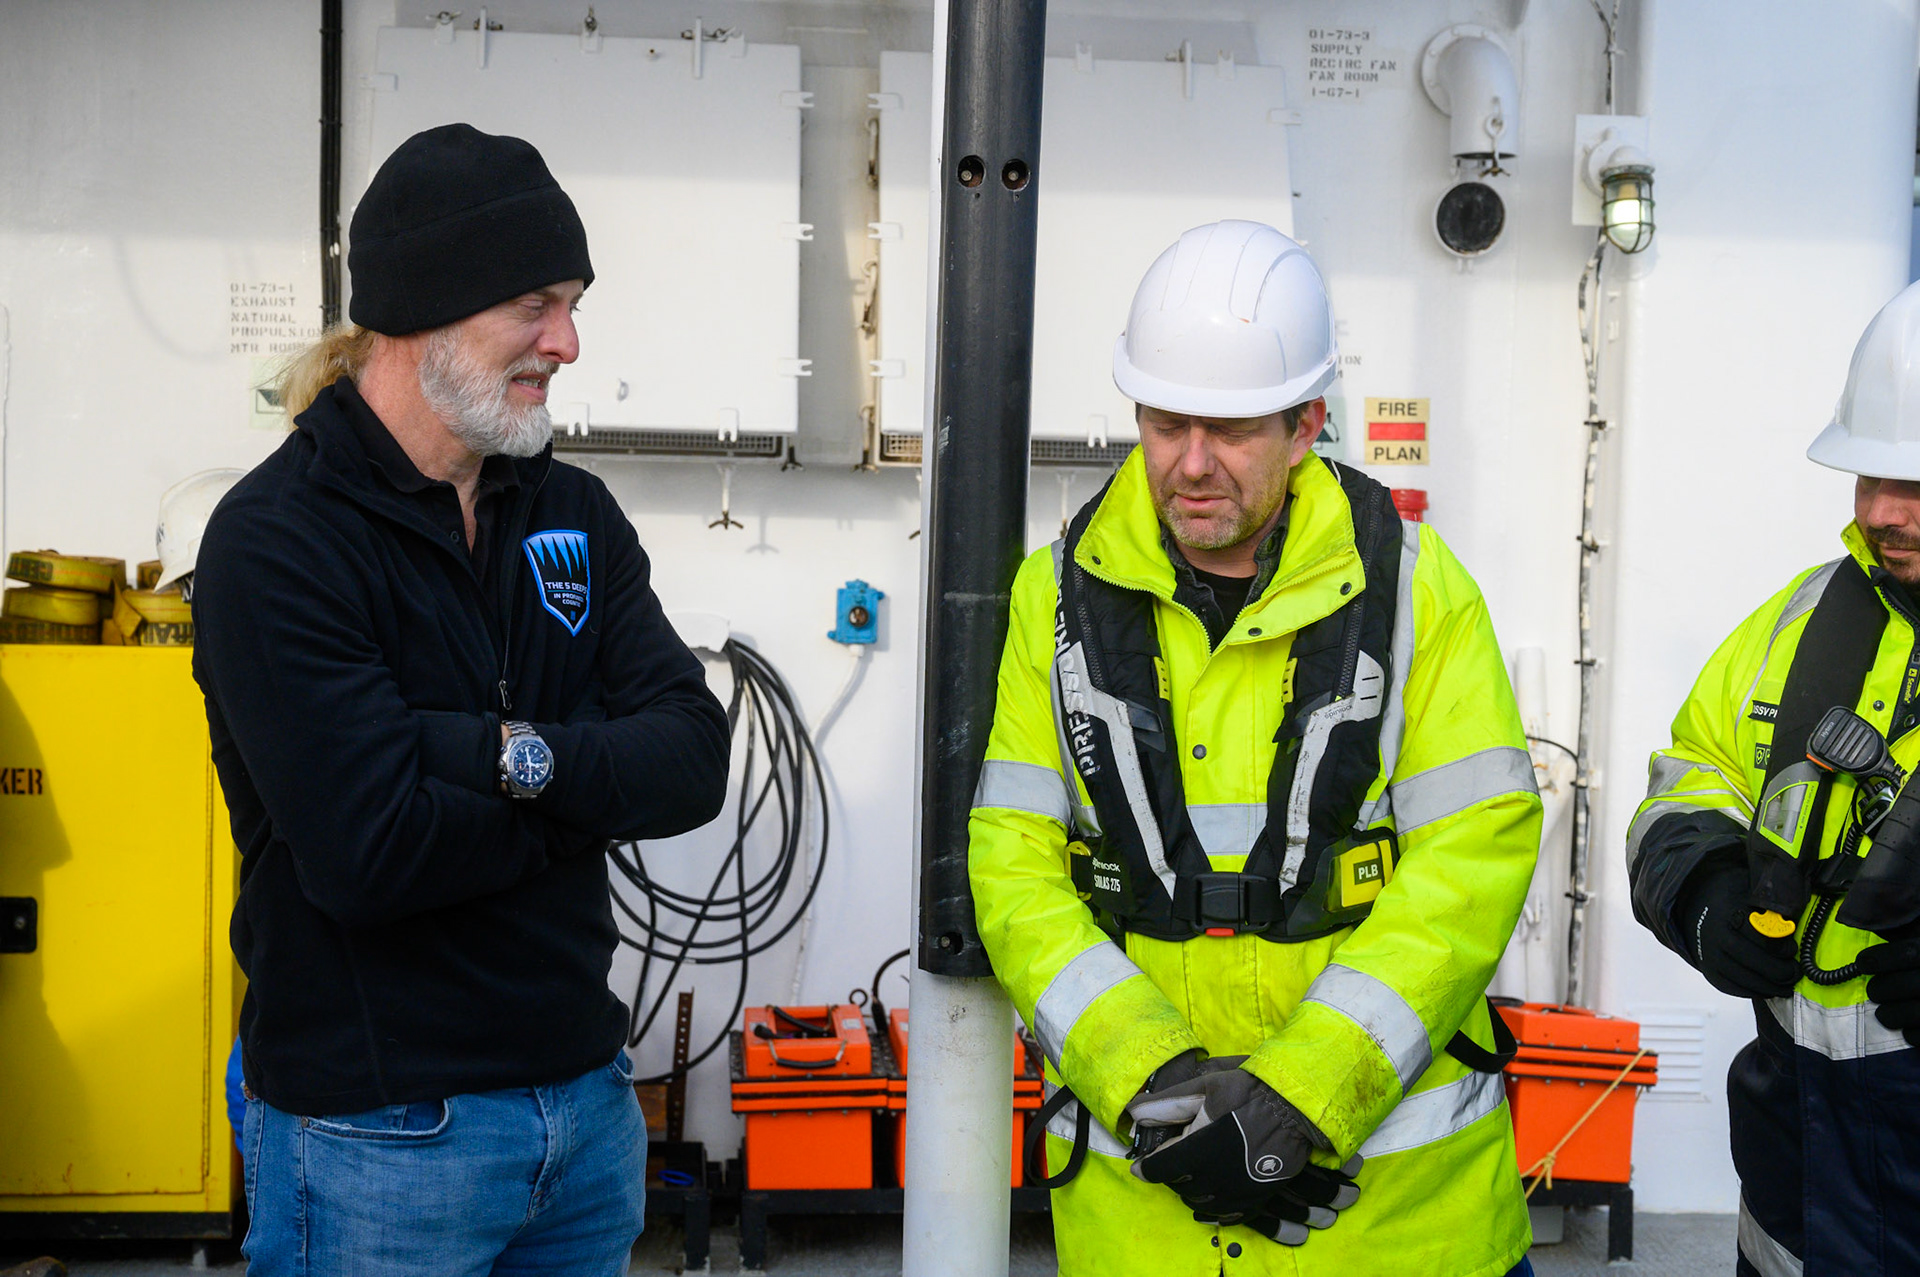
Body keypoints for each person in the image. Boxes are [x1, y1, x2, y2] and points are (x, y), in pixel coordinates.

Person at [192, 123, 730, 1276]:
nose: (569, 342)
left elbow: (692, 758)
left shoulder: (569, 510)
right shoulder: (278, 541)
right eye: (535, 304)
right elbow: (368, 854)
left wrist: (490, 754)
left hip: (586, 1113)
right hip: (379, 1136)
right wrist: (591, 779)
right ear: (425, 305)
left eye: (573, 303)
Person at [967, 219, 1543, 1275]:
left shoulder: (1418, 589)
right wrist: (1152, 1081)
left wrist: (1305, 1094)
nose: (1191, 465)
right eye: (1165, 421)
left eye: (1230, 430)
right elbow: (1014, 864)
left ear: (1306, 423)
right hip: (1151, 1219)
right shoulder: (1051, 597)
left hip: (1400, 1226)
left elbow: (1474, 858)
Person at [1628, 279, 1920, 1276]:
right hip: (1796, 1198)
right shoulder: (1805, 621)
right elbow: (1693, 771)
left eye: (1918, 483)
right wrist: (1703, 890)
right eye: (1871, 476)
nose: (1883, 511)